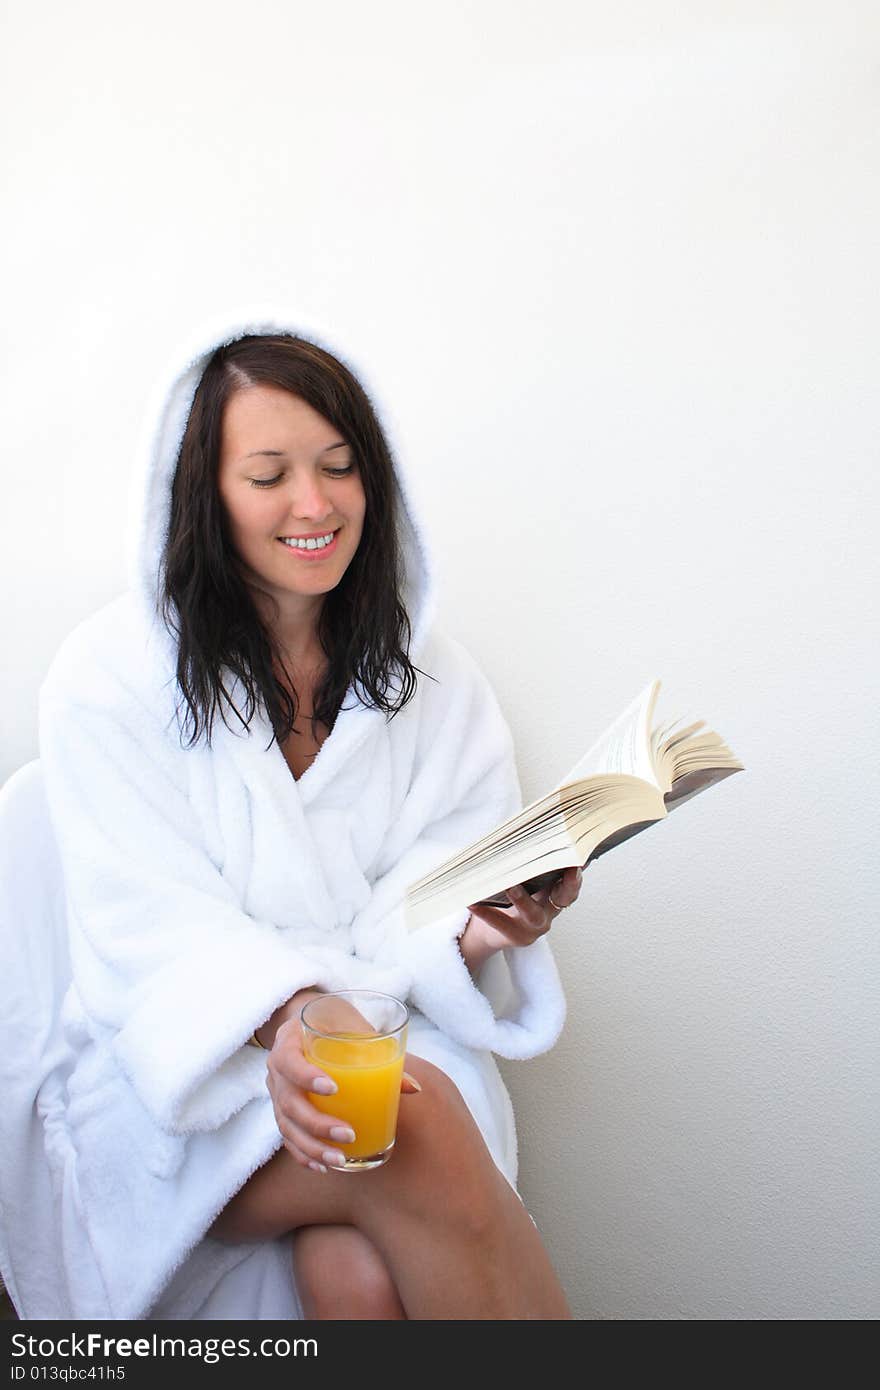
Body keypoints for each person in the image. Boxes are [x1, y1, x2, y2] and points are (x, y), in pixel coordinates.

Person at [31, 309, 582, 1320]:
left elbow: (424, 885)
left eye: (338, 465)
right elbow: (148, 930)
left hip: (374, 1033)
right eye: (269, 473)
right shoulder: (106, 678)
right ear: (203, 493)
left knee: (354, 1277)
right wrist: (286, 1020)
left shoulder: (431, 680)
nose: (314, 502)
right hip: (191, 1075)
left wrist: (479, 919)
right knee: (422, 1125)